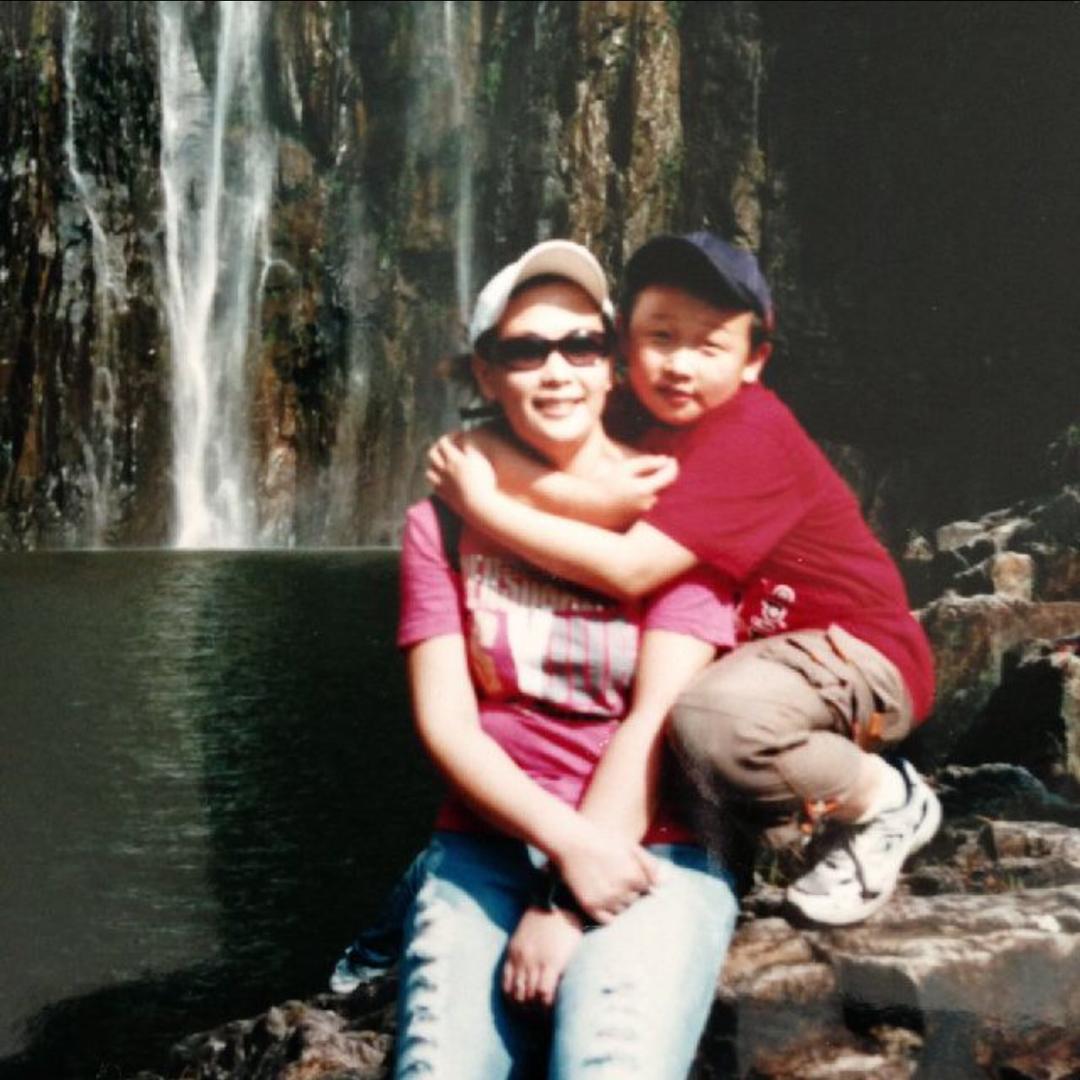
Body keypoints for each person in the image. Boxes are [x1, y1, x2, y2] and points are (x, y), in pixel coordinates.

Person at [428, 231, 941, 928]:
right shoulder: (635, 412)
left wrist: (485, 506)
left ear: (754, 361)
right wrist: (566, 490)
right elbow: (485, 436)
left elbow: (630, 568)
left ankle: (886, 799)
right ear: (623, 342)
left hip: (859, 651)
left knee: (710, 725)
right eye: (660, 336)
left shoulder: (750, 433)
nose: (678, 365)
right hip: (764, 658)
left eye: (709, 346)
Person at [392, 240, 740, 1078]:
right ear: (486, 374)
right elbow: (447, 722)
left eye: (582, 345)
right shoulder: (440, 522)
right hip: (487, 846)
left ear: (612, 365)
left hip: (655, 846)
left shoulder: (682, 502)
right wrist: (561, 846)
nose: (557, 371)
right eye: (526, 350)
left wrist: (565, 898)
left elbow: (660, 719)